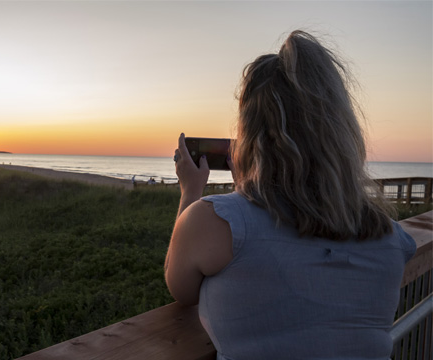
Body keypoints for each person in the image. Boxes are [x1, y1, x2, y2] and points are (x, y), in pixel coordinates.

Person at [165, 30, 416, 359]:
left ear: (250, 132)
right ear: (342, 131)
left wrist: (191, 190)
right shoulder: (394, 239)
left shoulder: (213, 221)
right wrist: (248, 191)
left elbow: (181, 287)